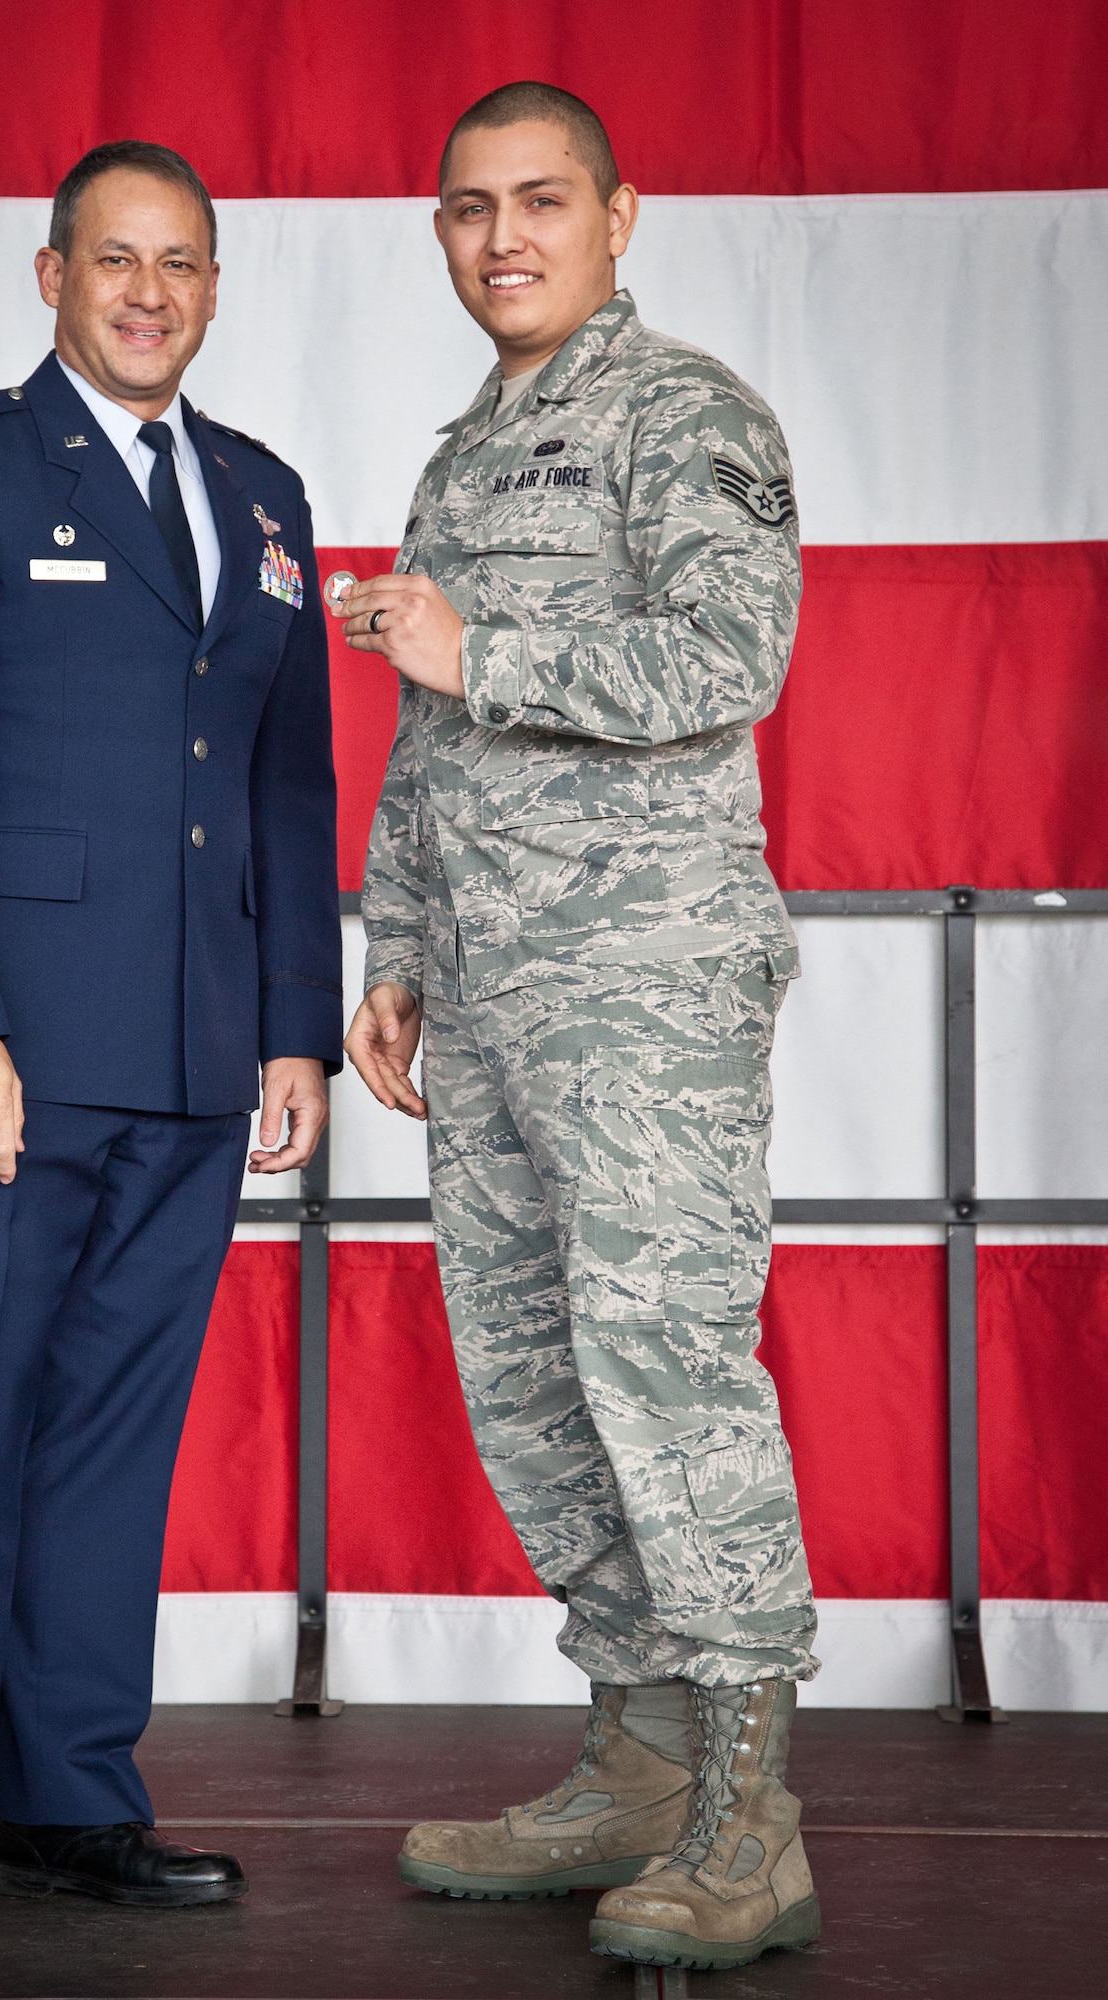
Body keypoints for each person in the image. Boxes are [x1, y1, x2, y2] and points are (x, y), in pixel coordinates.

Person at [337, 83, 820, 1973]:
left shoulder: (685, 412)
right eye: (469, 209)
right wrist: (397, 949)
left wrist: (491, 650)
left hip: (647, 990)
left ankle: (747, 1811)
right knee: (532, 1378)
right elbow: (425, 732)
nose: (503, 236)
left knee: (667, 1375)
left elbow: (733, 659)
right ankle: (634, 1764)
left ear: (624, 216)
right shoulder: (470, 454)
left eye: (542, 201)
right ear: (441, 235)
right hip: (498, 989)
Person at [0, 140, 341, 1946]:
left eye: (182, 263)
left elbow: (288, 779)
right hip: (15, 1057)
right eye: (115, 260)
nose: (150, 293)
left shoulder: (265, 495)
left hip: (204, 1059)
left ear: (214, 287)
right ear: (48, 276)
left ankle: (67, 1796)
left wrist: (296, 1029)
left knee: (111, 1447)